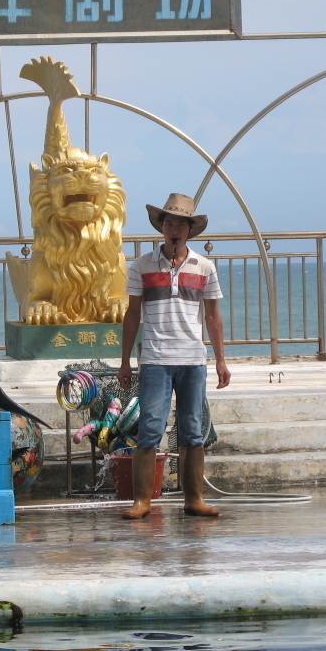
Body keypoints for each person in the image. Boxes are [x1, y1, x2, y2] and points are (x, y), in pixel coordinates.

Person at [118, 193, 231, 519]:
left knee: (192, 429)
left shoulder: (204, 266)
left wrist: (221, 359)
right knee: (151, 427)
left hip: (193, 359)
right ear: (161, 227)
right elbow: (132, 314)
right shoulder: (141, 265)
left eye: (180, 224)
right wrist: (125, 361)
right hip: (154, 358)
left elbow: (213, 316)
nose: (174, 229)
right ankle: (142, 501)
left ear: (190, 230)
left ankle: (193, 498)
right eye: (169, 223)